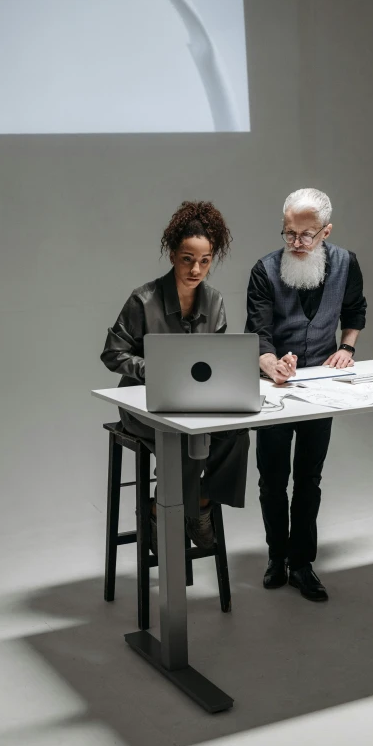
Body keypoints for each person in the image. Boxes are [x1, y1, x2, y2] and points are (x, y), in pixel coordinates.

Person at [101, 201, 250, 552]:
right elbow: (112, 353)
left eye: (205, 260)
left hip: (195, 403)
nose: (196, 268)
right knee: (186, 438)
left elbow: (219, 362)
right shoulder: (144, 300)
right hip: (143, 404)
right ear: (172, 255)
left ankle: (197, 503)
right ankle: (163, 509)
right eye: (187, 258)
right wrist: (152, 369)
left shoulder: (214, 302)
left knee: (237, 434)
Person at [245, 188, 367, 601]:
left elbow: (355, 312)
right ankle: (276, 557)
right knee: (272, 480)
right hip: (274, 387)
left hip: (321, 387)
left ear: (325, 232)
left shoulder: (346, 264)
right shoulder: (264, 270)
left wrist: (346, 349)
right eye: (289, 234)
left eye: (306, 235)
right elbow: (258, 334)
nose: (296, 244)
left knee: (309, 479)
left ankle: (302, 563)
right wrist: (271, 364)